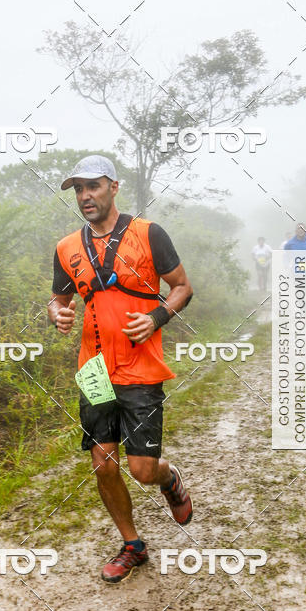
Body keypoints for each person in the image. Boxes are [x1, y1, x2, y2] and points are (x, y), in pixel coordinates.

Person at [49, 155, 194, 584]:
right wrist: (57, 312)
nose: (84, 196)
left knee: (142, 470)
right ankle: (133, 545)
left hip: (141, 368)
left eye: (92, 186)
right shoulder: (66, 247)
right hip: (93, 371)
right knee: (103, 464)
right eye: (78, 189)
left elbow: (183, 287)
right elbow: (58, 298)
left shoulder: (149, 234)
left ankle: (169, 479)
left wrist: (157, 317)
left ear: (114, 186)